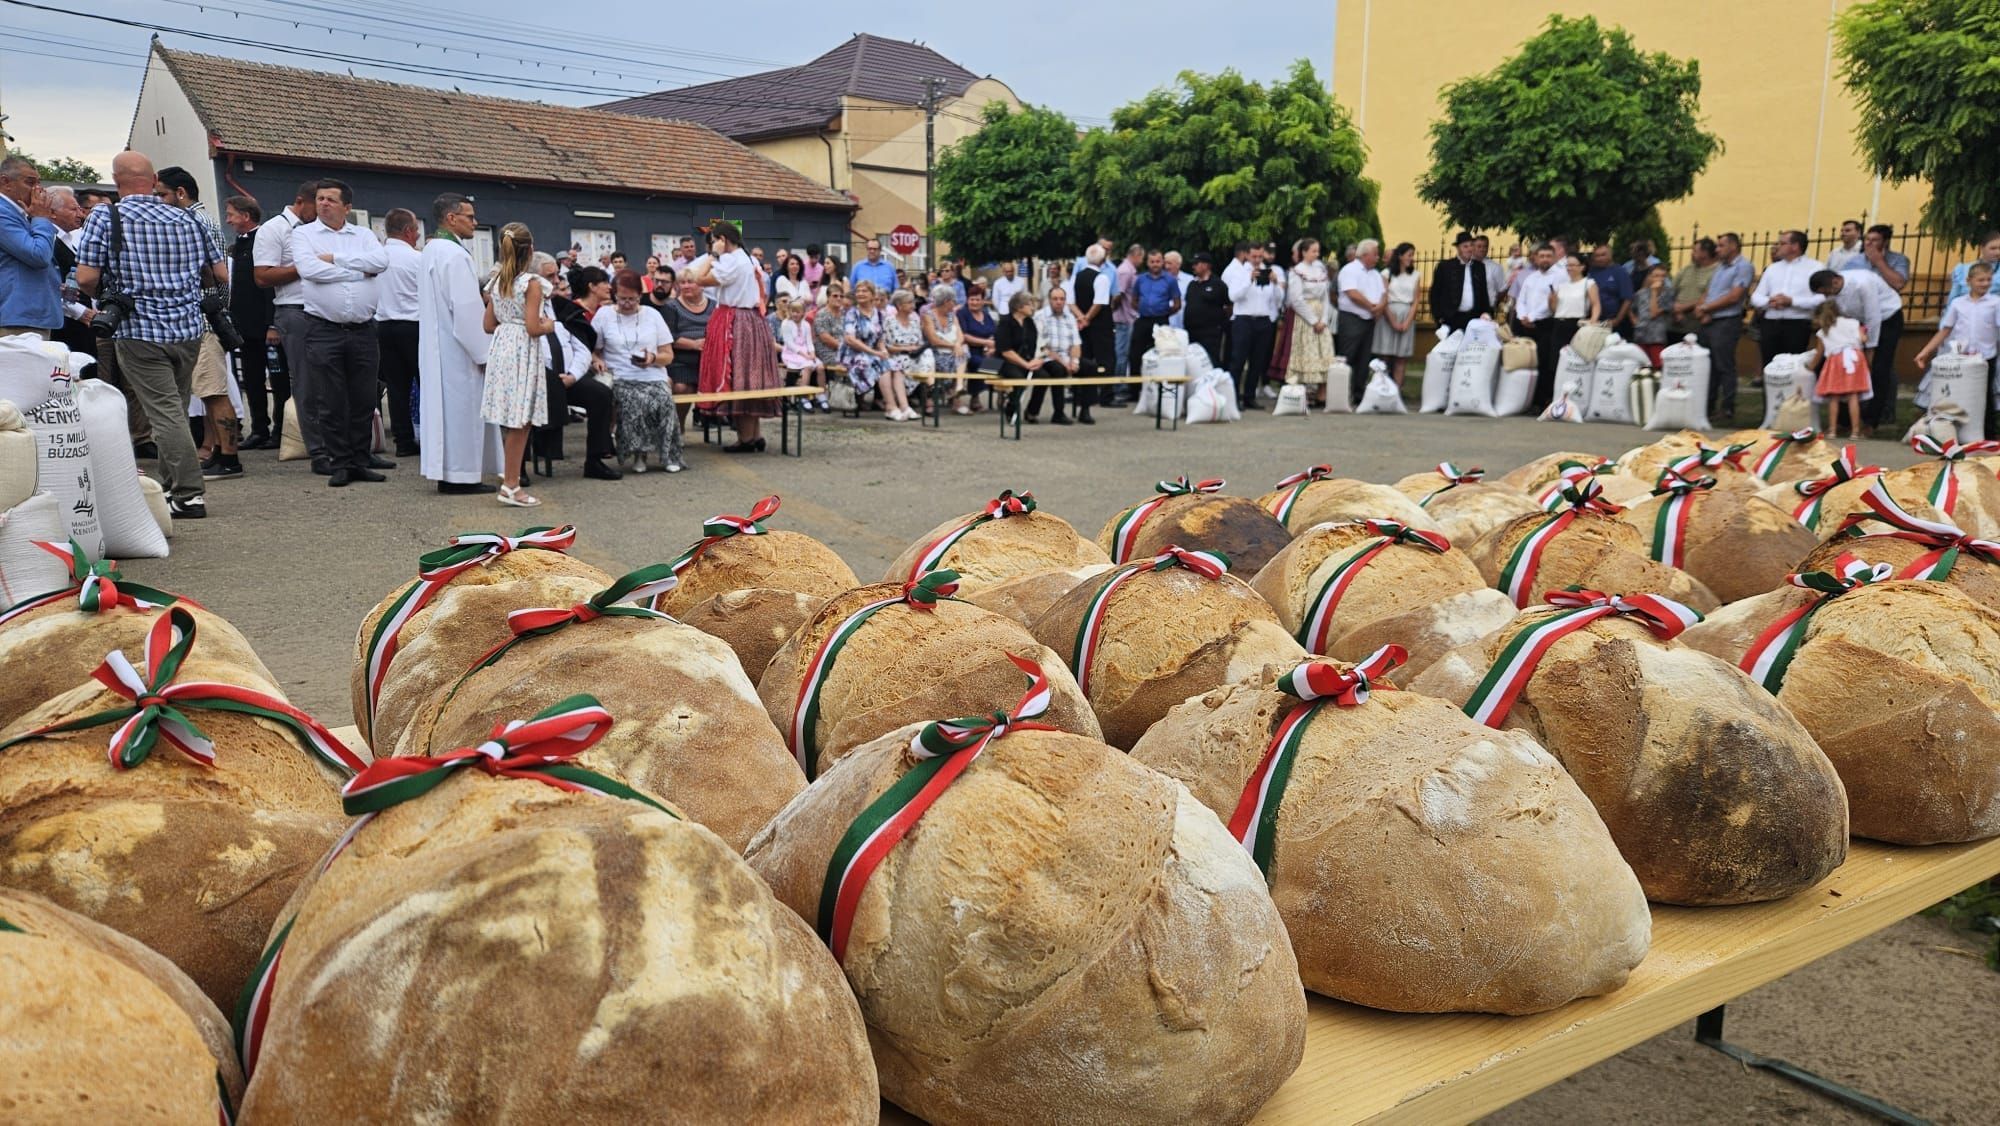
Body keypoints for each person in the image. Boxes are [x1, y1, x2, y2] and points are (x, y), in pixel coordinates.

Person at [74, 151, 224, 519]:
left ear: (115, 179)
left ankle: (189, 494)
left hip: (139, 328)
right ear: (154, 178)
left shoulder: (106, 216)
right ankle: (174, 490)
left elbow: (86, 278)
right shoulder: (189, 219)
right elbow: (219, 275)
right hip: (188, 329)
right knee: (174, 405)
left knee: (165, 413)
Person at [290, 179, 390, 488]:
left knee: (363, 398)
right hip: (324, 329)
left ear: (346, 207)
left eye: (331, 199)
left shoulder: (363, 234)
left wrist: (336, 259)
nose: (323, 204)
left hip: (362, 329)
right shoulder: (304, 234)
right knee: (331, 400)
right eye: (320, 198)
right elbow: (309, 271)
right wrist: (361, 272)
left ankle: (361, 459)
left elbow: (381, 262)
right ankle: (340, 462)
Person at [150, 166, 244, 479]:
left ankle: (229, 458)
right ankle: (220, 452)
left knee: (213, 392)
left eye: (162, 194)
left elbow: (217, 275)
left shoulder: (192, 221)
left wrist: (211, 309)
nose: (159, 201)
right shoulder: (201, 220)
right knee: (209, 391)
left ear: (181, 193)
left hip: (203, 321)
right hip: (209, 319)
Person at [417, 193, 499, 494]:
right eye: (470, 216)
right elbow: (466, 310)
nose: (475, 223)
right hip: (458, 349)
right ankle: (462, 477)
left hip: (438, 345)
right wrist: (484, 351)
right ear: (451, 218)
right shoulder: (455, 255)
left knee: (446, 414)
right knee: (463, 411)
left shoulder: (432, 249)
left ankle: (448, 472)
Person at [682, 221, 781, 452]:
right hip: (753, 321)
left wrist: (712, 255)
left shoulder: (729, 260)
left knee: (739, 377)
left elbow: (697, 278)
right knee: (749, 376)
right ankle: (754, 435)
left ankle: (746, 439)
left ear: (723, 240)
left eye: (715, 240)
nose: (713, 245)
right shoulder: (749, 258)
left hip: (735, 321)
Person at [476, 226, 551, 505]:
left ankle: (510, 481)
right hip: (522, 347)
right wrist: (549, 325)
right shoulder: (531, 283)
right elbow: (533, 326)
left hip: (502, 345)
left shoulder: (497, 282)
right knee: (521, 419)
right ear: (530, 250)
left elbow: (487, 324)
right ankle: (511, 485)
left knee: (512, 418)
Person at [254, 180, 323, 462]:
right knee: (305, 381)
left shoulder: (319, 230)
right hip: (295, 310)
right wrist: (305, 266)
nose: (320, 215)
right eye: (316, 208)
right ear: (301, 201)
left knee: (332, 379)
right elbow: (262, 276)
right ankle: (316, 447)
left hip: (326, 310)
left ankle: (344, 443)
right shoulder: (275, 229)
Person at [596, 268, 681, 475]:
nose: (627, 304)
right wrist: (597, 361)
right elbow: (594, 351)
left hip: (652, 373)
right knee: (634, 401)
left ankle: (670, 454)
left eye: (632, 299)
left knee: (664, 400)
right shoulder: (604, 315)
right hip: (621, 375)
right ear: (614, 294)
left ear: (639, 296)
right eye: (622, 298)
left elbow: (668, 355)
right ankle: (638, 454)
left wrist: (652, 359)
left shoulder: (652, 315)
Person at [548, 264, 620, 479]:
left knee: (601, 392)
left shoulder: (565, 309)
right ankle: (520, 466)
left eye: (556, 276)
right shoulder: (531, 305)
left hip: (571, 373)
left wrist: (572, 375)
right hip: (540, 374)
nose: (556, 281)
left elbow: (581, 347)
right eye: (550, 276)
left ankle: (595, 460)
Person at [221, 196, 277, 449]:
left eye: (231, 214)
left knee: (277, 379)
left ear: (246, 216)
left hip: (265, 325)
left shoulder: (263, 242)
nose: (228, 219)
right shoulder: (239, 244)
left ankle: (280, 430)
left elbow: (268, 286)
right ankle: (259, 428)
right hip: (245, 326)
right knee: (252, 380)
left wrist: (272, 323)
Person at [371, 207, 423, 459]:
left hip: (384, 326)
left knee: (396, 385)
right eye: (417, 231)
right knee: (425, 382)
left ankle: (403, 441)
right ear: (408, 231)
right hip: (413, 325)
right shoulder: (417, 259)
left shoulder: (376, 257)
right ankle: (430, 435)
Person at [1692, 232, 1754, 424]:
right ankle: (1707, 407)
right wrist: (1701, 309)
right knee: (1707, 365)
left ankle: (1727, 408)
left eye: (1721, 246)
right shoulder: (1720, 267)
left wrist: (1706, 308)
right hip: (1710, 320)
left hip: (1727, 321)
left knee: (1724, 365)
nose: (1716, 249)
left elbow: (1735, 296)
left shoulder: (1743, 267)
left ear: (1733, 247)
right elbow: (1710, 292)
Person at [1913, 263, 1998, 401]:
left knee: (1984, 397)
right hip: (1961, 357)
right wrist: (1925, 351)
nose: (1985, 283)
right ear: (1968, 281)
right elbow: (1945, 330)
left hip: (1986, 357)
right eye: (1981, 280)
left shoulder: (1995, 303)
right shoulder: (1958, 303)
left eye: (1988, 280)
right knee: (1959, 394)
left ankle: (1985, 423)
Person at [0, 154, 61, 337]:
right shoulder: (3, 212)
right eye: (30, 183)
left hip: (29, 315)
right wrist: (41, 218)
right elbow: (38, 255)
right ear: (5, 182)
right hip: (17, 318)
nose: (37, 190)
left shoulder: (20, 214)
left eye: (38, 183)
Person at [1861, 224, 1912, 432]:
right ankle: (1849, 417)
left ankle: (1875, 417)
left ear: (1885, 242)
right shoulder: (1854, 262)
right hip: (1859, 318)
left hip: (1887, 317)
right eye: (1867, 240)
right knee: (1854, 365)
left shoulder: (1898, 260)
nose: (1869, 244)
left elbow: (1898, 283)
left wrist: (1879, 262)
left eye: (1874, 240)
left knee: (1882, 367)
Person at [1750, 230, 1826, 367]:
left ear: (1795, 246)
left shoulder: (1815, 267)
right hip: (1770, 323)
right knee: (1769, 365)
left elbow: (1821, 298)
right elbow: (1756, 296)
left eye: (1782, 243)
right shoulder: (1772, 269)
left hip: (1797, 324)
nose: (1778, 246)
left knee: (1793, 366)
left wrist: (1792, 302)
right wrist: (1770, 302)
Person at [1275, 237, 1334, 406]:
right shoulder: (1297, 271)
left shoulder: (1320, 269)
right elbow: (1296, 300)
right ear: (1304, 252)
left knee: (1324, 353)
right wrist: (1314, 321)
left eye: (1318, 251)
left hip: (1320, 315)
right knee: (1304, 352)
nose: (1317, 254)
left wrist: (1323, 319)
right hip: (1305, 318)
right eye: (1314, 251)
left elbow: (1325, 297)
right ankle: (1301, 394)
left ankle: (1322, 394)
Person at [1228, 243, 1284, 408]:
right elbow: (1233, 296)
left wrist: (1275, 283)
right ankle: (1234, 396)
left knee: (1258, 361)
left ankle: (1249, 396)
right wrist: (1249, 280)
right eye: (1254, 257)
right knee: (1238, 360)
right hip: (1243, 319)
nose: (1257, 260)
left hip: (1264, 319)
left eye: (1260, 257)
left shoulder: (1269, 271)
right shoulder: (1239, 272)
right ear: (1247, 255)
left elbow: (1278, 300)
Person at [1809, 298, 1872, 439]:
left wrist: (1810, 367)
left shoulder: (1823, 331)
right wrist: (1863, 332)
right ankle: (1855, 431)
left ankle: (1832, 430)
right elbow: (1863, 339)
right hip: (1854, 359)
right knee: (1853, 396)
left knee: (1834, 397)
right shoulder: (1853, 323)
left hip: (1835, 361)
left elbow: (1819, 353)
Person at [1334, 238, 1385, 405]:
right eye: (1375, 254)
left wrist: (1380, 307)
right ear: (1365, 255)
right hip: (1352, 318)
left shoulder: (1376, 274)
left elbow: (1384, 293)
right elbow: (1351, 293)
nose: (1378, 257)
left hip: (1369, 319)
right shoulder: (1350, 270)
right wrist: (1371, 306)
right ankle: (1342, 392)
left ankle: (1358, 392)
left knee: (1364, 358)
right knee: (1347, 355)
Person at [1515, 242, 1561, 411]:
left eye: (1548, 256)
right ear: (1535, 258)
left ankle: (1541, 400)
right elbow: (1522, 299)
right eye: (1541, 256)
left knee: (1543, 362)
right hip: (1526, 323)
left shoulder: (1559, 276)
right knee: (1527, 361)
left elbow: (1550, 303)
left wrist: (1532, 317)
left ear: (1554, 257)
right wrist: (1522, 316)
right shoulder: (1531, 277)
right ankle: (1527, 399)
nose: (1545, 259)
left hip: (1545, 324)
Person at [1070, 245, 1114, 423]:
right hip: (1100, 326)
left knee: (1084, 361)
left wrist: (1080, 318)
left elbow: (1070, 303)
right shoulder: (1102, 278)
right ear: (1103, 261)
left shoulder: (1076, 277)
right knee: (1104, 361)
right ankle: (1104, 395)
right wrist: (1087, 318)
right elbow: (1099, 302)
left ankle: (1078, 397)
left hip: (1082, 327)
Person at [1029, 287, 1084, 424]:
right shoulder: (1040, 316)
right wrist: (1064, 363)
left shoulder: (1070, 317)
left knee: (1091, 367)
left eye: (1062, 299)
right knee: (1058, 369)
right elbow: (1043, 346)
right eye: (1055, 299)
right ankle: (1058, 413)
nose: (1059, 302)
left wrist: (1075, 361)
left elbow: (1076, 343)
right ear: (1049, 300)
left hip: (1068, 357)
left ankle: (1085, 410)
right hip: (1046, 358)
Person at [1370, 242, 1419, 391]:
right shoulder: (1386, 274)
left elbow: (1416, 300)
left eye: (1412, 255)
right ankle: (1381, 389)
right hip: (1388, 313)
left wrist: (1407, 322)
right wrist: (1393, 321)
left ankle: (1396, 392)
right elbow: (1383, 298)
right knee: (1385, 355)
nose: (1411, 258)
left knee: (1401, 357)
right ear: (1400, 256)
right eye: (1409, 255)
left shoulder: (1415, 275)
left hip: (1406, 313)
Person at [1129, 248, 1181, 377]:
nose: (1155, 264)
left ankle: (1159, 386)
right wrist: (1143, 308)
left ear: (1162, 262)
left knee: (1162, 352)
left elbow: (1177, 304)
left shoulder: (1170, 280)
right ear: (1147, 263)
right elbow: (1134, 300)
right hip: (1143, 320)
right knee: (1136, 353)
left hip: (1161, 321)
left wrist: (1164, 312)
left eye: (1158, 261)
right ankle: (1135, 389)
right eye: (1152, 261)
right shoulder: (1140, 279)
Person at [1429, 230, 1492, 334]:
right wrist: (1439, 317)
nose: (1469, 249)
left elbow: (1483, 293)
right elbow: (1435, 293)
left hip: (1473, 318)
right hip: (1451, 318)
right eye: (1465, 246)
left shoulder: (1479, 267)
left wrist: (1486, 312)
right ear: (1458, 248)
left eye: (1471, 245)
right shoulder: (1445, 266)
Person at [993, 289, 1041, 424]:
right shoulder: (1005, 323)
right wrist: (1025, 364)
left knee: (1044, 376)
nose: (1033, 307)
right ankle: (1011, 408)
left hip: (1025, 360)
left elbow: (1032, 345)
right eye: (1029, 304)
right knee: (1019, 378)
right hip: (1004, 361)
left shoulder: (1029, 323)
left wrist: (1034, 361)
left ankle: (1032, 411)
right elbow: (1006, 351)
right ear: (1019, 307)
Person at [841, 279, 890, 408]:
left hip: (872, 352)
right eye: (858, 291)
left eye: (864, 291)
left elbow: (880, 338)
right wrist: (875, 353)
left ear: (873, 295)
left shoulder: (879, 315)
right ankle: (890, 406)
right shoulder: (852, 313)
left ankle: (902, 405)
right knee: (873, 362)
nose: (860, 293)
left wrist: (883, 350)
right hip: (852, 353)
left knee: (893, 365)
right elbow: (851, 340)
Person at [877, 289, 925, 422]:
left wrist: (915, 349)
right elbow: (887, 347)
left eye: (912, 302)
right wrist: (906, 348)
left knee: (924, 360)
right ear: (899, 305)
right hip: (896, 355)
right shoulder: (889, 321)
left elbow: (920, 343)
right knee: (898, 366)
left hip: (915, 356)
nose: (913, 305)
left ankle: (904, 406)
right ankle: (904, 406)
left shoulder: (915, 321)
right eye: (909, 302)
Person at [922, 284, 968, 414]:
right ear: (947, 301)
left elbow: (960, 334)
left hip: (954, 353)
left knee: (964, 349)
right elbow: (933, 340)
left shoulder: (952, 316)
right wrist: (953, 346)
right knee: (959, 353)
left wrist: (957, 344)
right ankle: (932, 402)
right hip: (935, 353)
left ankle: (958, 388)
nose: (955, 303)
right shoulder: (928, 316)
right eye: (954, 300)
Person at [1180, 253, 1228, 367]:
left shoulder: (1218, 284)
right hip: (1192, 331)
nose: (1193, 266)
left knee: (1211, 360)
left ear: (1206, 265)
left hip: (1210, 332)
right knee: (1194, 362)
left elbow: (1228, 306)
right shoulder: (1192, 284)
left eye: (1197, 264)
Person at [778, 295, 826, 408]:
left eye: (798, 312)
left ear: (803, 312)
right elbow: (789, 343)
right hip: (792, 353)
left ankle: (821, 394)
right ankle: (803, 396)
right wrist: (804, 354)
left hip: (805, 352)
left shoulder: (806, 325)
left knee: (820, 367)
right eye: (793, 311)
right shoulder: (786, 324)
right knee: (808, 367)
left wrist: (812, 353)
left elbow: (809, 341)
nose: (795, 314)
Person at [1629, 264, 1678, 366]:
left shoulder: (1668, 294)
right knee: (1641, 365)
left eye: (1662, 276)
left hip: (1656, 337)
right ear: (1650, 277)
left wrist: (1654, 292)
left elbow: (1654, 313)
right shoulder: (1641, 293)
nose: (1659, 279)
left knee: (1657, 366)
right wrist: (1634, 320)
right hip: (1640, 335)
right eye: (1656, 275)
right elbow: (1631, 308)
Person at [956, 286, 996, 410]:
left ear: (983, 301)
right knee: (983, 364)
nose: (974, 302)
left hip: (987, 351)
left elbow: (993, 332)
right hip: (969, 350)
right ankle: (975, 396)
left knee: (1002, 363)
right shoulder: (962, 313)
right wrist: (986, 342)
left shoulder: (986, 314)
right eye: (971, 299)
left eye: (977, 300)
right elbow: (964, 336)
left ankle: (1002, 393)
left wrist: (991, 347)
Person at [1670, 238, 1718, 339]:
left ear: (1704, 253)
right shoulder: (1686, 269)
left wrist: (1683, 308)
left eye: (1695, 251)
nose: (1691, 253)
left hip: (1695, 328)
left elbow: (1709, 297)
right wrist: (1676, 310)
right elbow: (1670, 291)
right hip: (1673, 324)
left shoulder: (1716, 272)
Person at [812, 282, 846, 409]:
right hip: (826, 350)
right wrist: (844, 348)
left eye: (841, 296)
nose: (839, 299)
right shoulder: (822, 314)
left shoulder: (844, 314)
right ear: (828, 297)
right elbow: (825, 338)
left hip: (842, 348)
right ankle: (840, 397)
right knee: (847, 362)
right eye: (835, 296)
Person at [1586, 245, 1634, 330]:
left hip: (1613, 320)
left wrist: (1617, 320)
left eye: (1603, 255)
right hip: (1593, 320)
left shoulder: (1620, 272)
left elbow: (1628, 299)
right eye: (1597, 256)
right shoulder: (1591, 272)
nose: (1600, 258)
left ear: (1610, 255)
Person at [1945, 232, 2000, 305]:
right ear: (1982, 248)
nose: (1997, 252)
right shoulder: (1962, 270)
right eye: (1993, 248)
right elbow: (1953, 299)